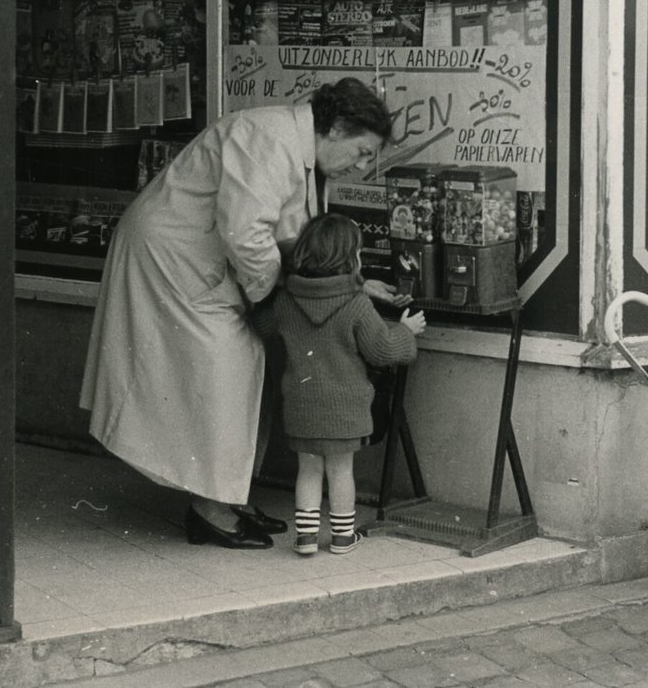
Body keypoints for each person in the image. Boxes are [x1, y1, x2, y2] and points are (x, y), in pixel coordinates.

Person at [79, 77, 409, 550]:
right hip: (173, 259)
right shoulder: (266, 136)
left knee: (242, 369)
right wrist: (280, 296)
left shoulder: (300, 151)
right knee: (226, 373)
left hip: (203, 262)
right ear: (336, 128)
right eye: (361, 151)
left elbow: (300, 243)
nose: (361, 165)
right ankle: (210, 509)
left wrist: (352, 283)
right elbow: (247, 235)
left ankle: (226, 497)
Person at [252, 213, 425, 555]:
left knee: (309, 469)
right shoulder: (356, 304)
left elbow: (264, 325)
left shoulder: (287, 302)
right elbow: (382, 350)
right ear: (349, 260)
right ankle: (343, 537)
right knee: (341, 470)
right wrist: (407, 330)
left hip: (301, 406)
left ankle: (306, 539)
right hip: (344, 409)